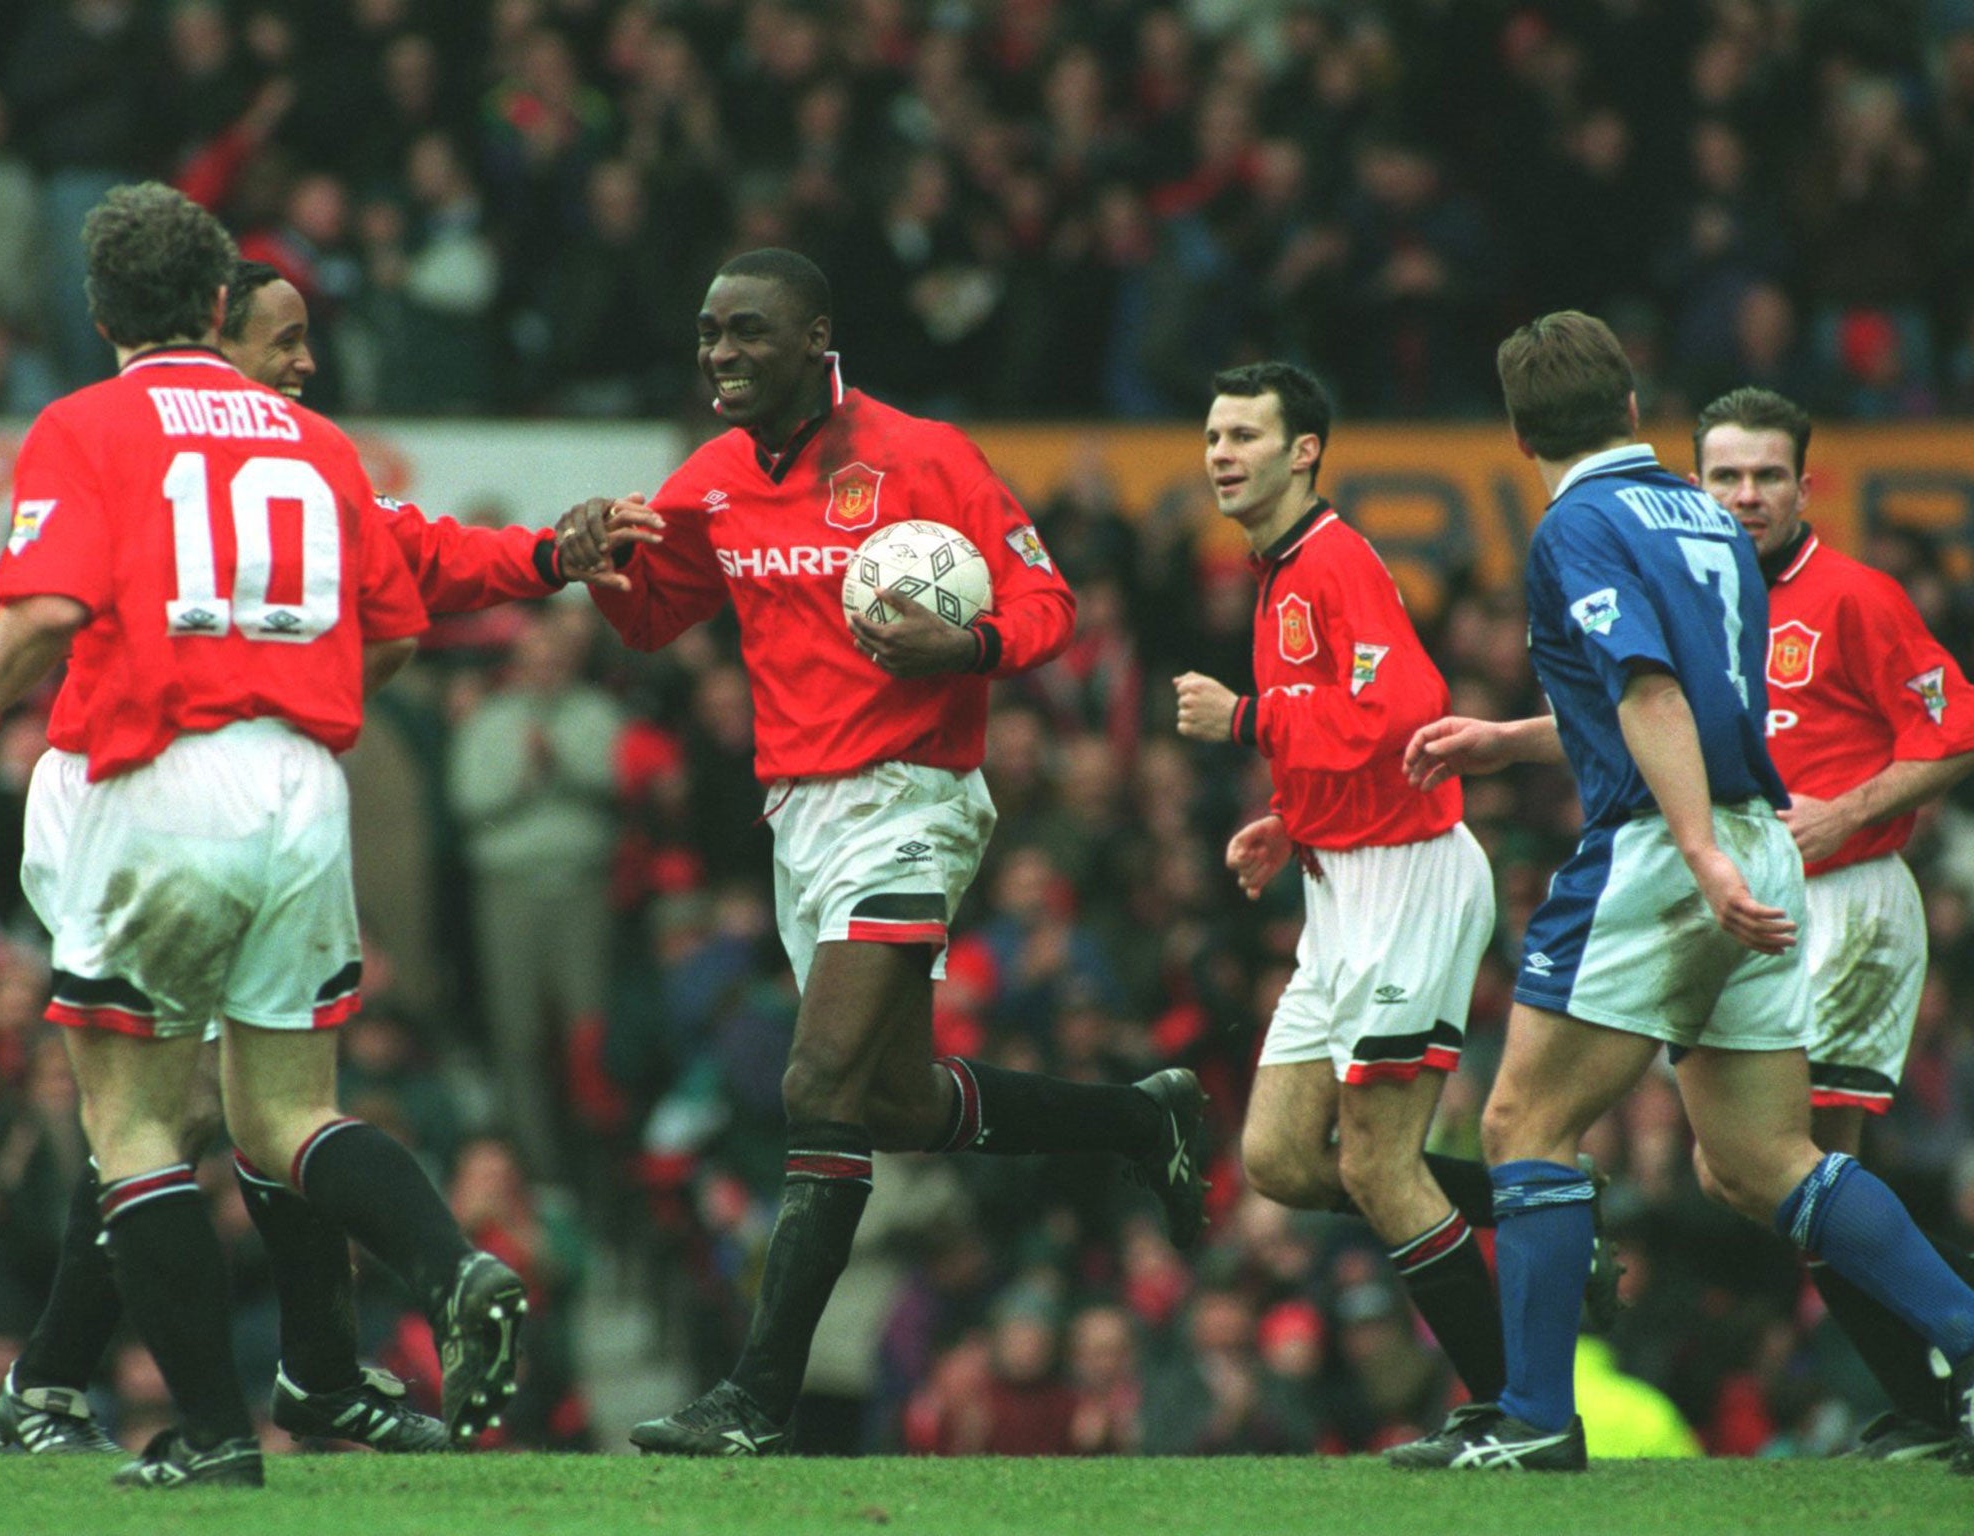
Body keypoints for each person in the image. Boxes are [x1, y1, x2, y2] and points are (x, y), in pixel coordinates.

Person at [552, 247, 1207, 1456]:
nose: (720, 353)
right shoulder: (709, 481)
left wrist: (964, 651)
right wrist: (597, 562)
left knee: (816, 1086)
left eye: (747, 331)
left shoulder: (925, 456)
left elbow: (1047, 606)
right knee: (896, 1105)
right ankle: (1136, 1122)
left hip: (911, 798)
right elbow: (654, 619)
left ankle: (754, 1400)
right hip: (796, 818)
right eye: (708, 333)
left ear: (816, 341)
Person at [0, 184, 526, 1489]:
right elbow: (403, 628)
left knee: (138, 1127)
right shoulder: (317, 442)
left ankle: (211, 1433)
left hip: (161, 777)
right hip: (305, 788)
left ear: (98, 314)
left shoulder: (86, 422)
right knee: (284, 1114)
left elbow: (44, 605)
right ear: (217, 303)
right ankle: (449, 1263)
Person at [1387, 311, 1974, 1472]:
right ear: (1626, 407)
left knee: (1521, 1124)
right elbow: (1695, 698)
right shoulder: (1698, 517)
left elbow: (1651, 693)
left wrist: (1692, 851)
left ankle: (1534, 1419)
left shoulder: (1573, 528)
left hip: (1668, 850)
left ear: (1516, 433)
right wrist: (1512, 742)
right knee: (1763, 1159)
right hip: (1761, 837)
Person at [1171, 361, 1506, 1407]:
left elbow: (1405, 713)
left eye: (1243, 436)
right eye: (1213, 435)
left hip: (1406, 883)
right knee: (1274, 1157)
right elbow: (1348, 731)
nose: (1219, 454)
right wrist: (1291, 816)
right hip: (1338, 882)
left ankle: (1514, 1405)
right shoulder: (1279, 571)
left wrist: (1243, 719)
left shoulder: (1333, 561)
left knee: (1374, 1165)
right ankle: (1537, 1213)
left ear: (1302, 450)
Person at [1690, 386, 1974, 1459]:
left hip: (1845, 903)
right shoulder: (1696, 598)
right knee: (1766, 1171)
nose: (1748, 494)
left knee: (1762, 1161)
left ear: (1805, 485)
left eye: (1767, 475)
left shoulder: (1853, 597)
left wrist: (1844, 811)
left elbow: (1952, 732)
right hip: (1760, 913)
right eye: (1726, 475)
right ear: (1696, 485)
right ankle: (1929, 1396)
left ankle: (1951, 1365)